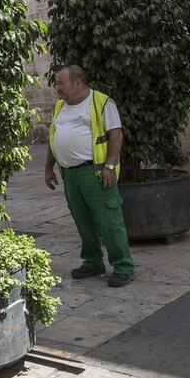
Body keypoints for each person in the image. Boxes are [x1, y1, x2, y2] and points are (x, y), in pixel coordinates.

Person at [44, 65, 135, 288]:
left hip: (94, 172)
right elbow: (54, 137)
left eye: (61, 83)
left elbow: (116, 135)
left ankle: (123, 267)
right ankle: (93, 261)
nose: (58, 88)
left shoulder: (102, 102)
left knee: (109, 220)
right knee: (82, 220)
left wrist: (110, 166)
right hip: (70, 174)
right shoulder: (60, 107)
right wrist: (49, 168)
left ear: (78, 83)